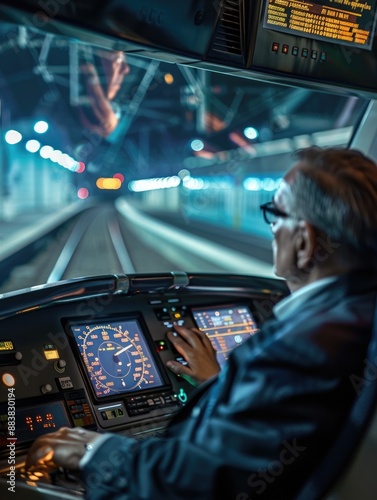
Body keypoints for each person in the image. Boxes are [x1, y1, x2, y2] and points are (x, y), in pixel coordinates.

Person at [26, 147, 377, 499]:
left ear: (305, 241)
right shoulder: (357, 317)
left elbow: (190, 485)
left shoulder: (303, 347)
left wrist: (94, 453)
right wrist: (218, 384)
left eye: (275, 214)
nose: (272, 231)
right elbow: (281, 427)